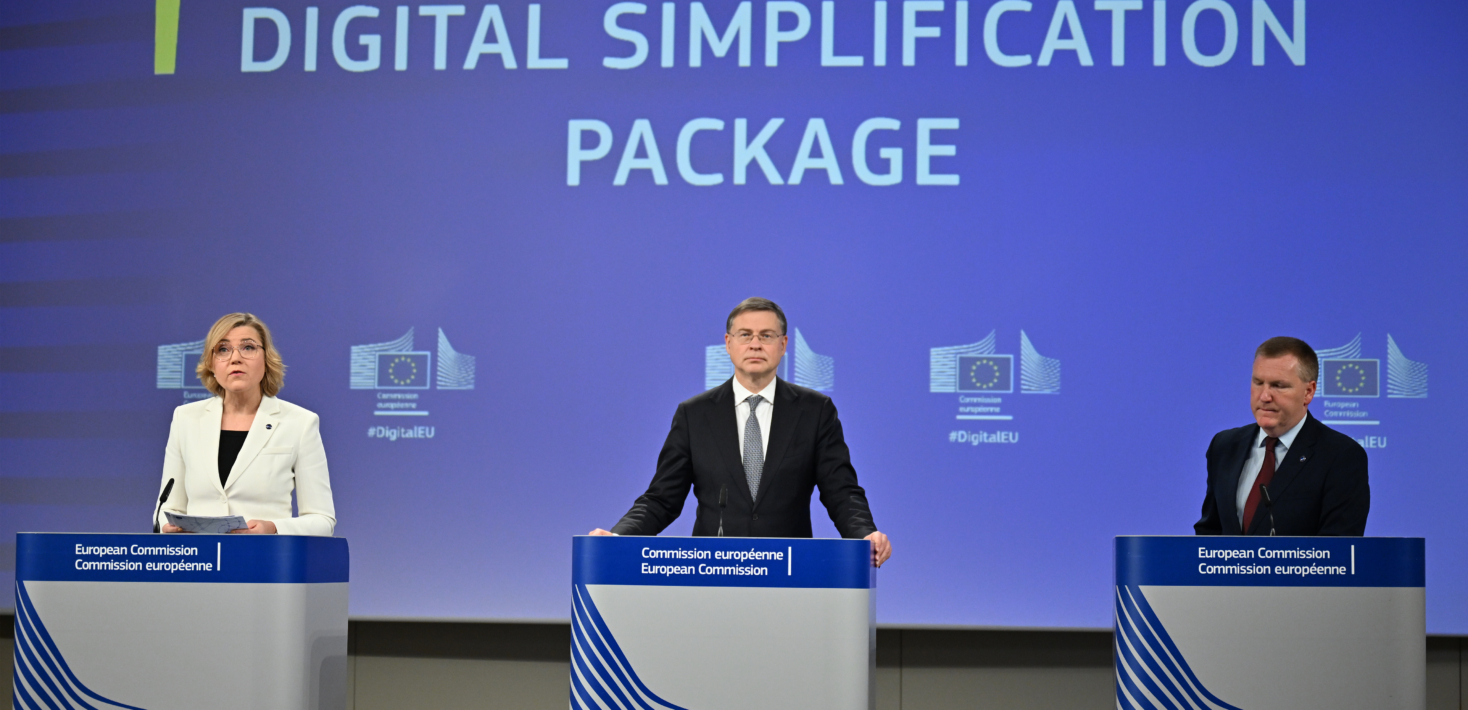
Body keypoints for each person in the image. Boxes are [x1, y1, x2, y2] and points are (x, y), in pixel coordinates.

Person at [590, 298, 892, 567]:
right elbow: (661, 499)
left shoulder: (815, 411)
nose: (755, 344)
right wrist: (619, 537)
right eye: (745, 335)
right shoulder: (695, 414)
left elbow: (841, 491)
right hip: (712, 572)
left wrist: (864, 533)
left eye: (766, 336)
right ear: (728, 343)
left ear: (784, 345)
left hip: (790, 573)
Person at [155, 313, 336, 536]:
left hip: (264, 554)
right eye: (223, 349)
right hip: (200, 556)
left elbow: (322, 521)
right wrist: (166, 526)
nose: (235, 358)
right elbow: (166, 509)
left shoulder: (300, 423)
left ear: (266, 359)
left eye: (248, 347)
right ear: (211, 364)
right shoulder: (186, 419)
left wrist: (273, 528)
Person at [1195, 336, 1369, 536]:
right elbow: (1209, 533)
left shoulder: (1341, 456)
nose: (1264, 396)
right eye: (1258, 382)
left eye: (1278, 385)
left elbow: (1338, 547)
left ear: (1308, 392)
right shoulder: (1224, 446)